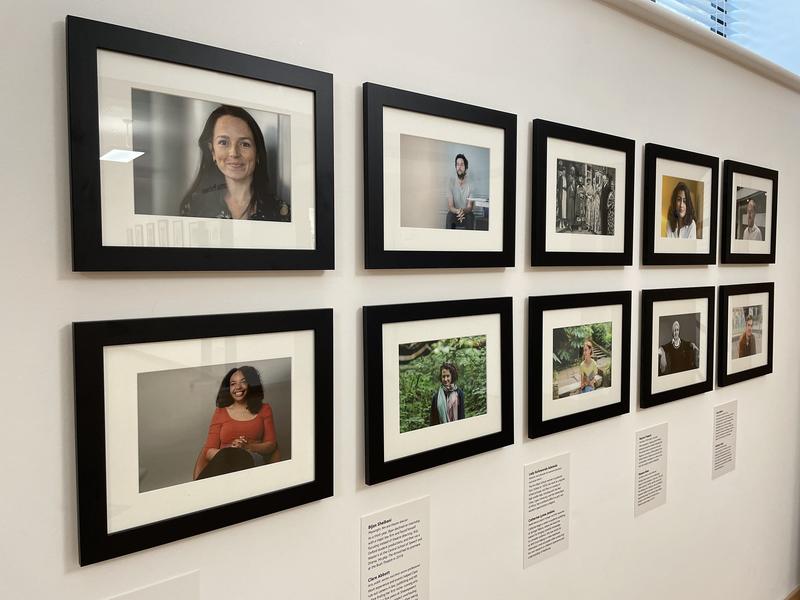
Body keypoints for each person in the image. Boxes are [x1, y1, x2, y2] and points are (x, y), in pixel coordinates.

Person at [179, 105, 289, 221]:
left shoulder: (280, 211)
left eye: (244, 144)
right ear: (212, 152)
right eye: (223, 142)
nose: (234, 153)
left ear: (257, 153)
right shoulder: (194, 208)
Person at [194, 366, 278, 480]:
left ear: (252, 385)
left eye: (243, 382)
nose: (238, 387)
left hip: (252, 459)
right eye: (233, 384)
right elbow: (208, 451)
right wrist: (231, 450)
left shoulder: (264, 409)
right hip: (223, 460)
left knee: (238, 455)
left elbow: (271, 445)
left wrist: (248, 447)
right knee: (229, 455)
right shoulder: (220, 412)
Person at [445, 154, 475, 229]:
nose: (459, 167)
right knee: (449, 216)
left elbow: (469, 207)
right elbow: (450, 206)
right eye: (457, 164)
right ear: (455, 167)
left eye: (462, 164)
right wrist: (458, 211)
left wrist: (463, 211)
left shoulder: (471, 183)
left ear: (466, 167)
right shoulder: (450, 182)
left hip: (466, 213)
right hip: (455, 213)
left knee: (471, 216)